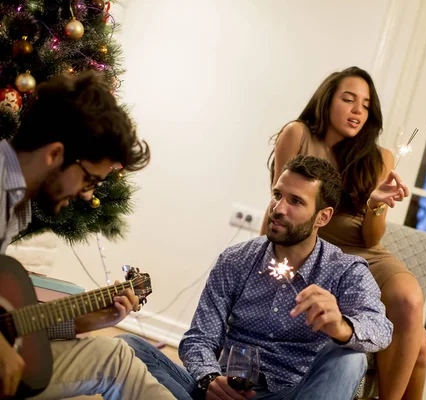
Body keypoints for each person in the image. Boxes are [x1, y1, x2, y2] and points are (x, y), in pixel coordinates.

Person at [119, 155, 392, 400]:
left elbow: (381, 330)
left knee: (351, 359)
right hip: (224, 392)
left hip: (291, 394)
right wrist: (210, 379)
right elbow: (199, 338)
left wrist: (341, 327)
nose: (278, 208)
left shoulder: (344, 270)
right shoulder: (236, 260)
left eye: (295, 201)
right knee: (127, 348)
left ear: (323, 217)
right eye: (277, 195)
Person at [0, 71, 175, 399]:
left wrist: (85, 321)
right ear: (54, 155)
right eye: (90, 180)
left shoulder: (17, 205)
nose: (86, 195)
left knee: (116, 357)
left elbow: (10, 323)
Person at [261, 66, 426, 400]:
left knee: (409, 301)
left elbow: (371, 239)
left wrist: (375, 204)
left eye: (365, 105)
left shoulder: (379, 158)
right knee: (420, 347)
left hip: (364, 255)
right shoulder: (298, 135)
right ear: (326, 101)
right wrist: (264, 260)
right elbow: (280, 206)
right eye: (348, 99)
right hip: (314, 252)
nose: (357, 111)